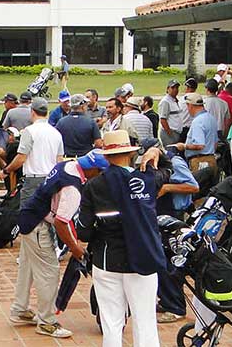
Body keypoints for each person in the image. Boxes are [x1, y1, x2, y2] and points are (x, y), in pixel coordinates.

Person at [77, 130, 166, 347]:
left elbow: (83, 232)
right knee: (145, 321)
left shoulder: (94, 186)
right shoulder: (147, 178)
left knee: (111, 323)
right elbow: (169, 169)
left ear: (106, 157)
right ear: (131, 153)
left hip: (107, 259)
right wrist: (157, 151)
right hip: (143, 258)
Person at [9, 151, 106, 337]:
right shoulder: (73, 188)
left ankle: (20, 309)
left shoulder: (67, 166)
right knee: (49, 273)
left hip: (29, 216)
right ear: (94, 170)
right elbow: (62, 222)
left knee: (28, 268)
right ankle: (47, 322)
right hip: (38, 224)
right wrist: (75, 248)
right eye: (102, 172)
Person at [143, 143, 199, 324]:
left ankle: (175, 307)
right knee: (160, 261)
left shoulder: (176, 163)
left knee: (170, 262)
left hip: (173, 216)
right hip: (161, 215)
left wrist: (166, 188)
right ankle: (166, 300)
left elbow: (193, 187)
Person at [1, 97, 64, 201]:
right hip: (52, 178)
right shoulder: (56, 132)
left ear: (32, 112)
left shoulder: (29, 131)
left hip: (33, 179)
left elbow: (21, 158)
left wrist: (6, 171)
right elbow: (59, 160)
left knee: (28, 213)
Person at [175, 93, 218, 172]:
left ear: (191, 105)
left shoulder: (198, 121)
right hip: (212, 159)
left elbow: (199, 145)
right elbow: (215, 143)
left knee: (199, 184)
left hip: (200, 161)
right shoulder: (211, 118)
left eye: (187, 106)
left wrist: (184, 146)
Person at [159, 79, 184, 147]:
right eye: (173, 88)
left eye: (177, 88)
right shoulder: (165, 101)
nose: (175, 90)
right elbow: (163, 120)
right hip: (170, 134)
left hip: (177, 132)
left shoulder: (175, 100)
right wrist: (170, 134)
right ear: (167, 89)